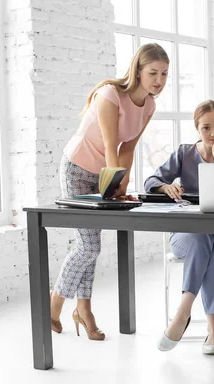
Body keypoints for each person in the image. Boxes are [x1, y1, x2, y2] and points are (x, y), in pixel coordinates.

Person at [50, 43, 169, 341]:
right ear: (137, 71)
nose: (159, 80)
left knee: (90, 246)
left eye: (165, 74)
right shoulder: (110, 95)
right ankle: (54, 305)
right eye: (153, 72)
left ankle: (83, 310)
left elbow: (128, 148)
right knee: (88, 247)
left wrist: (122, 186)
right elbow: (108, 144)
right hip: (77, 169)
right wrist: (113, 183)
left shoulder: (150, 105)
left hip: (104, 174)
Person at [145, 100, 214, 355]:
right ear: (196, 128)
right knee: (205, 240)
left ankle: (183, 312)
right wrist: (164, 187)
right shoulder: (184, 153)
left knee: (209, 239)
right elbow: (151, 180)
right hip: (186, 237)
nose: (213, 134)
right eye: (206, 128)